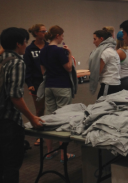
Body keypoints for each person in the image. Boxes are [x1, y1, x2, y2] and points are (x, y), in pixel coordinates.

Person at [0, 27, 44, 183]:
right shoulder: (17, 62)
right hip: (8, 121)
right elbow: (15, 96)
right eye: (25, 42)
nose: (26, 45)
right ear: (19, 44)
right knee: (11, 165)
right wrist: (31, 118)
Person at [39, 25, 75, 161]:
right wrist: (70, 54)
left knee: (48, 118)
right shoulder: (60, 51)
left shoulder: (43, 51)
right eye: (62, 36)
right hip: (62, 86)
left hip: (49, 86)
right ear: (57, 36)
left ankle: (49, 151)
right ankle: (63, 153)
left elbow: (43, 71)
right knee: (63, 119)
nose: (63, 38)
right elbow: (69, 68)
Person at [24, 24, 49, 146]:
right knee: (39, 110)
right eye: (42, 31)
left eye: (46, 31)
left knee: (52, 108)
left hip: (50, 81)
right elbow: (27, 68)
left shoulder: (49, 46)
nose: (45, 33)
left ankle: (52, 133)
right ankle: (40, 135)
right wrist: (29, 83)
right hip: (36, 82)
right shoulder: (29, 49)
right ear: (35, 33)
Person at [88, 30, 121, 98]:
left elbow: (97, 71)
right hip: (114, 83)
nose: (93, 42)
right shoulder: (110, 50)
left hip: (109, 84)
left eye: (95, 39)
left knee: (101, 105)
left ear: (101, 39)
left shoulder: (105, 52)